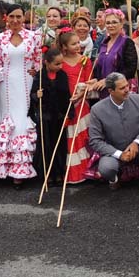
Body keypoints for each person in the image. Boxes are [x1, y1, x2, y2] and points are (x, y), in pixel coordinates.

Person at [0, 4, 41, 189]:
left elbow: (39, 62)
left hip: (26, 84)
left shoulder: (33, 37)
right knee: (6, 120)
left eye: (19, 17)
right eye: (12, 16)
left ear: (24, 18)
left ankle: (21, 173)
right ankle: (3, 169)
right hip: (6, 86)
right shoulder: (0, 39)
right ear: (6, 18)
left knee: (23, 122)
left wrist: (36, 71)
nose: (15, 20)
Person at [88, 72, 139, 196]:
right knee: (106, 168)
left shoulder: (138, 99)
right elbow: (95, 141)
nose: (127, 90)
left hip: (138, 149)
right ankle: (115, 178)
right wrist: (119, 154)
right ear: (110, 91)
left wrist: (137, 142)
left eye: (127, 86)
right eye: (122, 88)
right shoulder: (97, 109)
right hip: (113, 152)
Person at [56, 30, 94, 183]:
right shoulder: (60, 62)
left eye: (79, 42)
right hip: (66, 103)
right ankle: (71, 173)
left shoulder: (84, 60)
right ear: (64, 47)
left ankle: (86, 170)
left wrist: (81, 92)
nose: (78, 46)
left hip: (81, 102)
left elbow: (90, 81)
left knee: (82, 137)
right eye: (73, 44)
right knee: (69, 138)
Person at [31, 48, 71, 186]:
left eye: (61, 63)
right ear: (46, 63)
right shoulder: (40, 76)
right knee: (45, 146)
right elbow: (32, 95)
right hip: (45, 117)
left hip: (59, 116)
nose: (60, 66)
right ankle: (46, 173)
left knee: (59, 146)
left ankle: (59, 173)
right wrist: (37, 96)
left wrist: (68, 114)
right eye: (57, 64)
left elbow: (67, 97)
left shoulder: (63, 75)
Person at [93, 8, 138, 99]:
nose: (111, 25)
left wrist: (108, 81)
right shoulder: (104, 43)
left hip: (121, 89)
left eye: (114, 22)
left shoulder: (127, 42)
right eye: (108, 23)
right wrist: (96, 80)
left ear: (121, 24)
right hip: (104, 90)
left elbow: (131, 69)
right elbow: (100, 67)